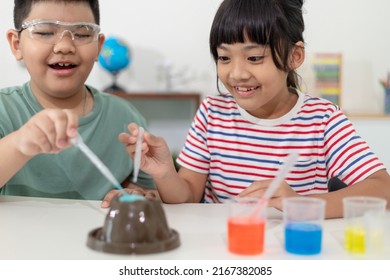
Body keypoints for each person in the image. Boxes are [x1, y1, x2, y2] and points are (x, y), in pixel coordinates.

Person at [119, 0, 390, 218]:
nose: (236, 73)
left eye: (254, 58)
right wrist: (165, 172)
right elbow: (187, 196)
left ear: (294, 56)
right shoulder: (212, 113)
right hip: (223, 248)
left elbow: (383, 189)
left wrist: (301, 204)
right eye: (224, 57)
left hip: (291, 252)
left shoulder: (322, 119)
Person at [0, 0, 158, 207]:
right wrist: (20, 144)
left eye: (82, 34)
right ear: (16, 44)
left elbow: (145, 191)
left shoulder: (125, 118)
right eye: (45, 32)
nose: (65, 46)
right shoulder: (4, 110)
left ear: (99, 46)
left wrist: (135, 194)